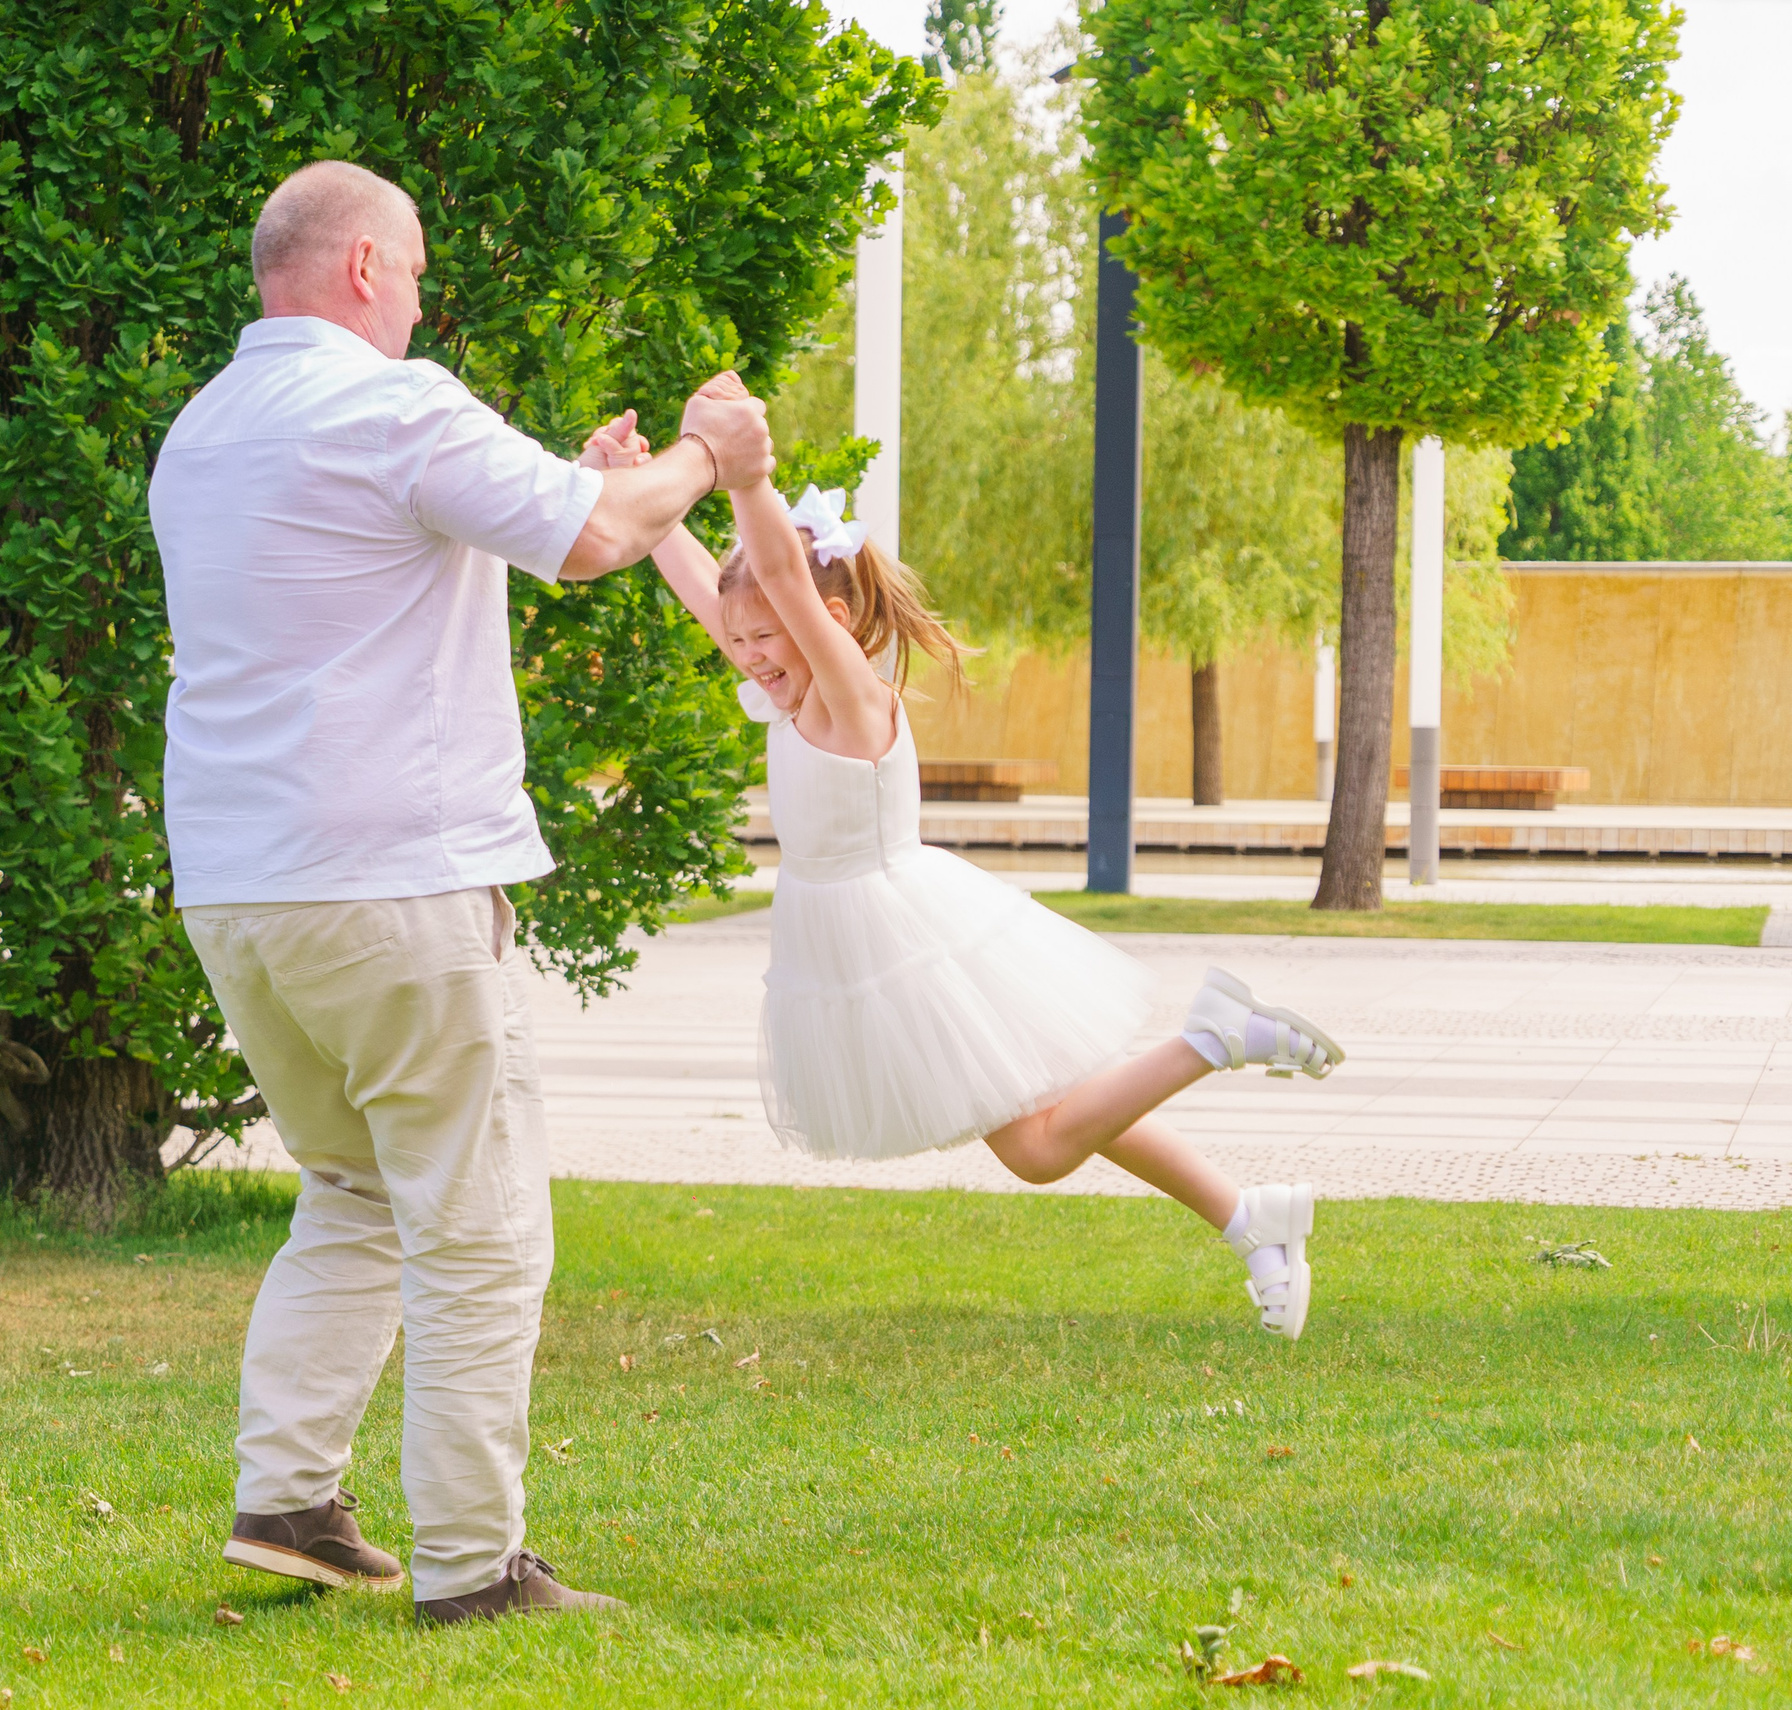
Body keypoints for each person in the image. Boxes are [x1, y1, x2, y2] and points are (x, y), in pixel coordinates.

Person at [148, 159, 772, 1624]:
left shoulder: (204, 430)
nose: (423, 303)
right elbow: (594, 539)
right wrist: (705, 452)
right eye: (418, 272)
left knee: (355, 1186)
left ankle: (288, 1501)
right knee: (478, 1229)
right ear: (365, 268)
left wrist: (596, 475)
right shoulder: (392, 403)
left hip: (239, 885)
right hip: (393, 882)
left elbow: (519, 513)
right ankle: (473, 1568)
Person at [579, 389, 1340, 1341]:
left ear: (830, 618)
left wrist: (742, 472)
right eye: (738, 642)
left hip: (904, 945)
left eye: (764, 636)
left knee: (1039, 1148)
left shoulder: (848, 697)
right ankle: (1248, 1217)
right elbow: (714, 582)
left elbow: (770, 569)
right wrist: (637, 491)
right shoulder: (790, 691)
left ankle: (1215, 1038)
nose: (748, 657)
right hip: (868, 941)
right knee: (1054, 1113)